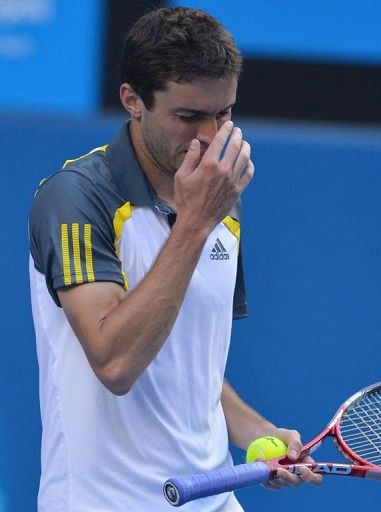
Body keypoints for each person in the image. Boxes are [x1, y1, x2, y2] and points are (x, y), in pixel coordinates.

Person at [29, 7, 321, 511]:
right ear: (132, 101)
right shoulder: (74, 198)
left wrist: (257, 431)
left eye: (224, 113)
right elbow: (116, 362)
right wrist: (194, 223)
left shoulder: (220, 197)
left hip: (212, 499)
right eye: (188, 116)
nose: (210, 136)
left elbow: (189, 363)